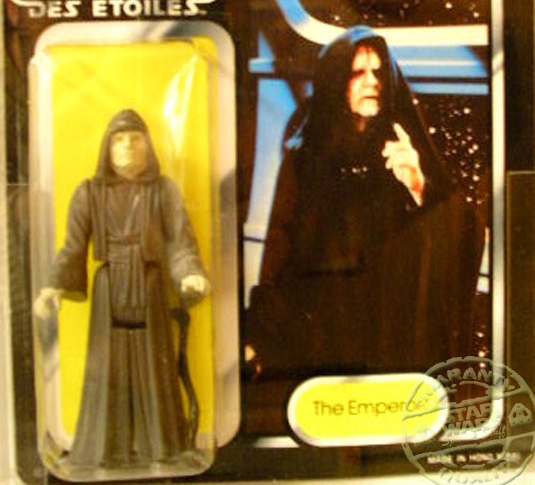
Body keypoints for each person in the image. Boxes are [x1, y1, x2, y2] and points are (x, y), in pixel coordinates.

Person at [247, 26, 485, 379]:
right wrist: (258, 336)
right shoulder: (306, 160)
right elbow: (282, 252)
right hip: (324, 338)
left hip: (391, 338)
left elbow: (464, 235)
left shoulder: (406, 149)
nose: (372, 82)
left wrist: (419, 186)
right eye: (358, 72)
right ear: (336, 82)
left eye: (378, 71)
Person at [34, 109, 209, 468]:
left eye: (135, 138)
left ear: (148, 145)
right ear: (107, 147)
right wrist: (53, 287)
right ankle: (102, 450)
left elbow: (180, 242)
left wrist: (189, 274)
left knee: (156, 369)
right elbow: (73, 246)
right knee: (104, 373)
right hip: (109, 289)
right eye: (119, 139)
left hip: (151, 288)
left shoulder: (164, 191)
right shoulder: (89, 193)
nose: (128, 145)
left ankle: (164, 448)